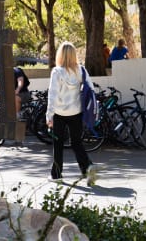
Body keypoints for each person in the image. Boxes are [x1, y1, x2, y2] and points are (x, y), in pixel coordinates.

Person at [46, 42, 99, 186]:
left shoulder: (57, 72)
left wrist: (49, 115)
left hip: (59, 113)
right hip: (76, 112)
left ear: (60, 55)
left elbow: (53, 94)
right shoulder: (81, 70)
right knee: (77, 143)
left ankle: (56, 174)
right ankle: (87, 168)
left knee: (58, 143)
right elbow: (91, 89)